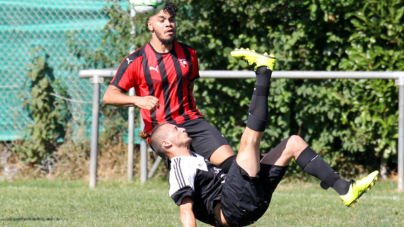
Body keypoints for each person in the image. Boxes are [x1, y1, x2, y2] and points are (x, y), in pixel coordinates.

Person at [147, 49, 379, 227]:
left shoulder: (196, 156)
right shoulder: (179, 167)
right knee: (248, 142)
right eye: (175, 129)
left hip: (249, 201)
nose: (181, 128)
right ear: (167, 143)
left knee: (293, 143)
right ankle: (263, 71)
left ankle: (345, 189)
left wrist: (258, 161)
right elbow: (185, 210)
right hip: (234, 207)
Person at [102, 1, 236, 172]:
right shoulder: (136, 60)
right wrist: (137, 100)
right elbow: (109, 96)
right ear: (150, 25)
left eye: (171, 20)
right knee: (193, 175)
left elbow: (189, 88)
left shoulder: (189, 54)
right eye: (162, 20)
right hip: (162, 129)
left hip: (193, 121)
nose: (168, 24)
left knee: (232, 165)